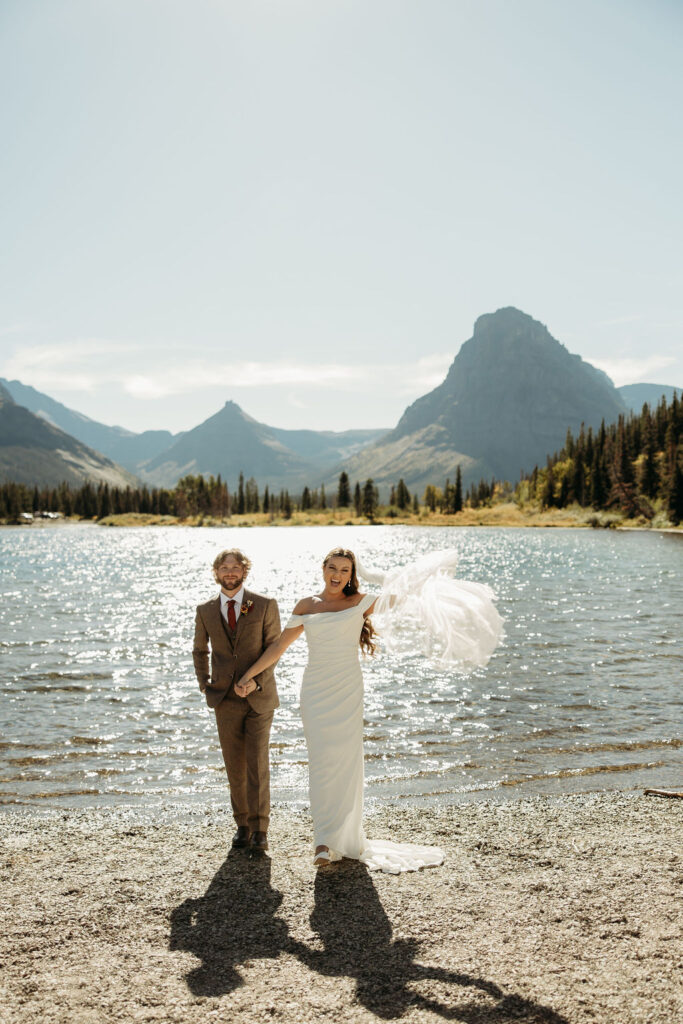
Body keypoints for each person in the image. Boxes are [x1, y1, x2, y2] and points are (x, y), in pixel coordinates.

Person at [236, 546, 502, 872]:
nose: (337, 575)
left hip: (347, 691)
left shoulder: (362, 602)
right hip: (315, 693)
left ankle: (340, 838)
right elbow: (278, 646)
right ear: (323, 569)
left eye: (344, 570)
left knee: (346, 765)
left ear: (352, 575)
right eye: (332, 568)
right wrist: (250, 675)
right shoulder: (307, 605)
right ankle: (322, 842)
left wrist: (420, 576)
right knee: (321, 764)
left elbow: (401, 596)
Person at [193, 549, 281, 853]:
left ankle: (260, 829)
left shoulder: (265, 605)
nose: (230, 572)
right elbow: (199, 650)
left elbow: (275, 648)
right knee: (234, 765)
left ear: (244, 571)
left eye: (235, 567)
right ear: (216, 572)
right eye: (224, 567)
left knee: (257, 762)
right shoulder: (205, 610)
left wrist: (256, 680)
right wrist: (205, 683)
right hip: (224, 699)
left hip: (259, 697)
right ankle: (242, 825)